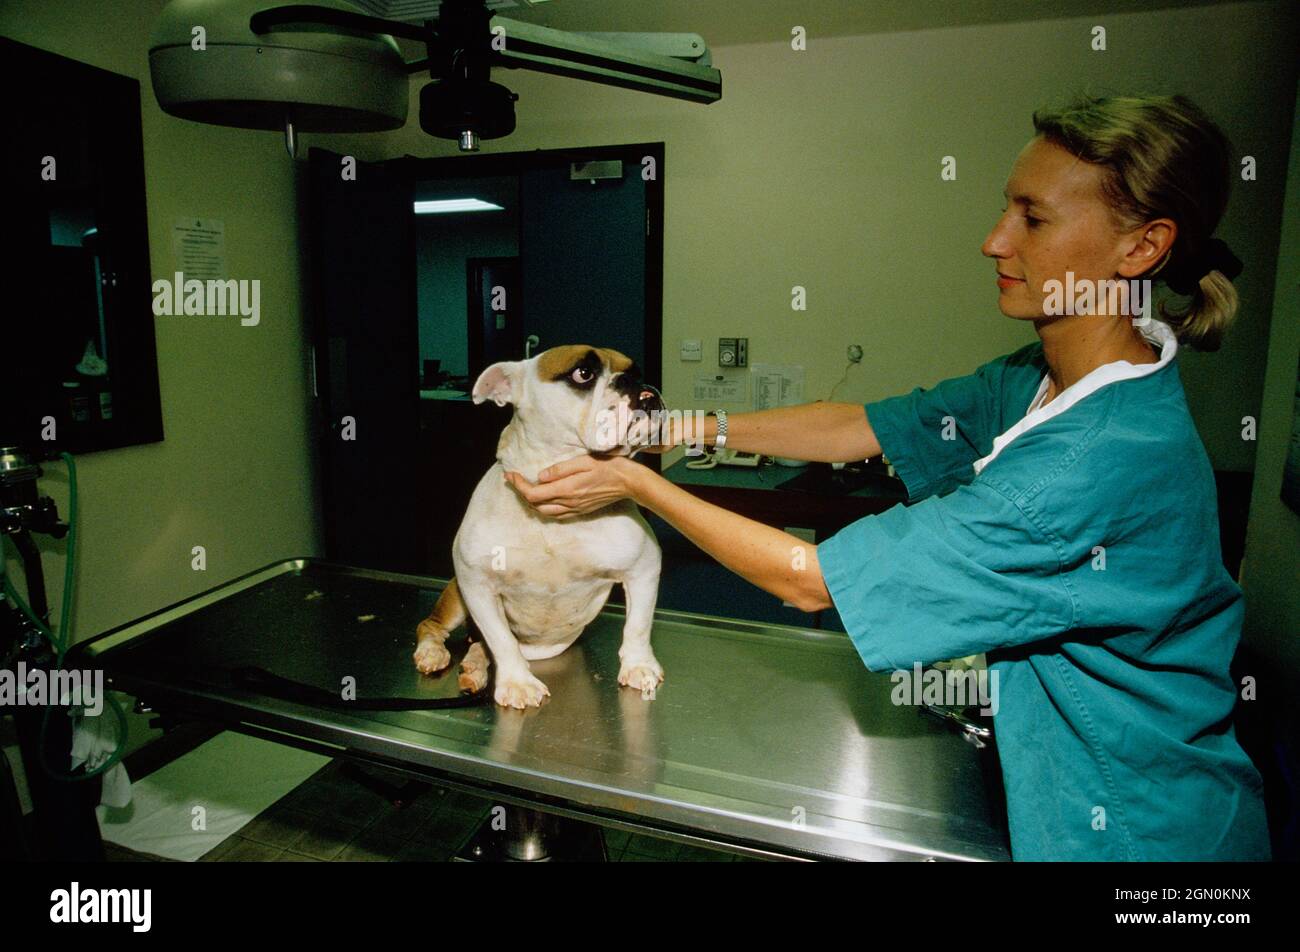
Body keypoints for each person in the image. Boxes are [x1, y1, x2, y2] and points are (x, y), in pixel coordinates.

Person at [504, 94, 1271, 862]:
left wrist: (638, 485)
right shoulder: (1041, 378)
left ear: (1141, 248)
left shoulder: (1096, 460)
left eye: (1032, 219)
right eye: (1006, 208)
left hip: (1143, 839)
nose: (993, 241)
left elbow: (810, 580)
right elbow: (858, 424)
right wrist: (676, 429)